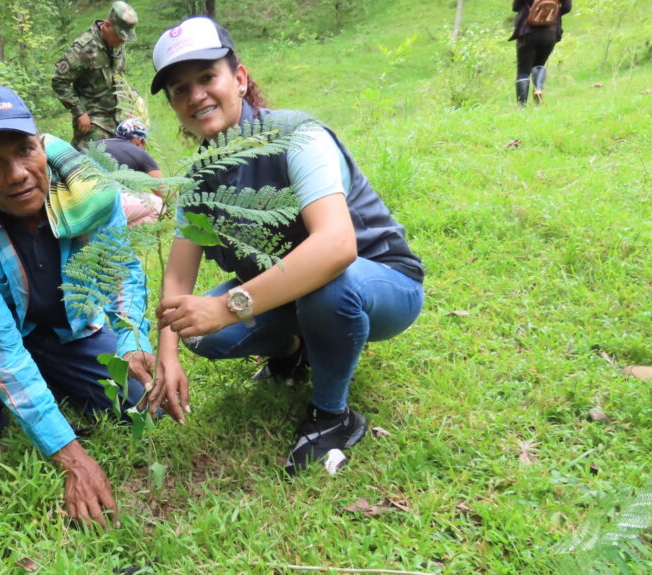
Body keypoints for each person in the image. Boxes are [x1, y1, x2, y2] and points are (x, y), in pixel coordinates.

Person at [146, 17, 425, 476]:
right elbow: (179, 276)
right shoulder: (197, 177)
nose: (195, 95)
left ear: (238, 78)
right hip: (296, 293)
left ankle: (333, 415)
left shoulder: (297, 136)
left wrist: (230, 306)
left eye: (207, 77)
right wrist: (168, 355)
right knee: (196, 327)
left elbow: (336, 247)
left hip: (378, 284)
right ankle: (293, 350)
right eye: (179, 88)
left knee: (328, 284)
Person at [0, 84, 155, 529]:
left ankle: (50, 382)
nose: (18, 174)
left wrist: (132, 338)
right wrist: (72, 458)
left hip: (71, 333)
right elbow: (2, 355)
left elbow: (121, 270)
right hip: (9, 336)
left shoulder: (91, 196)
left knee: (141, 408)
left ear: (41, 146)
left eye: (24, 151)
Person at [52, 1, 138, 149]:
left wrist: (130, 97)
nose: (123, 40)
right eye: (119, 35)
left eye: (125, 37)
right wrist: (79, 113)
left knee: (125, 158)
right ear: (106, 25)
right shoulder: (83, 49)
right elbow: (59, 81)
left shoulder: (117, 43)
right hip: (93, 118)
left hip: (118, 113)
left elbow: (118, 74)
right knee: (91, 161)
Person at [94, 118, 164, 226]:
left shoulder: (95, 144)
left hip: (74, 201)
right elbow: (165, 193)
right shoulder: (138, 152)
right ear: (139, 141)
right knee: (158, 205)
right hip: (101, 203)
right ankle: (121, 238)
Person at [509, 0, 573, 105]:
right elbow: (567, 7)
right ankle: (538, 89)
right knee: (539, 64)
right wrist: (550, 13)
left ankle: (522, 104)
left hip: (527, 31)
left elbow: (516, 7)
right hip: (550, 31)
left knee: (523, 71)